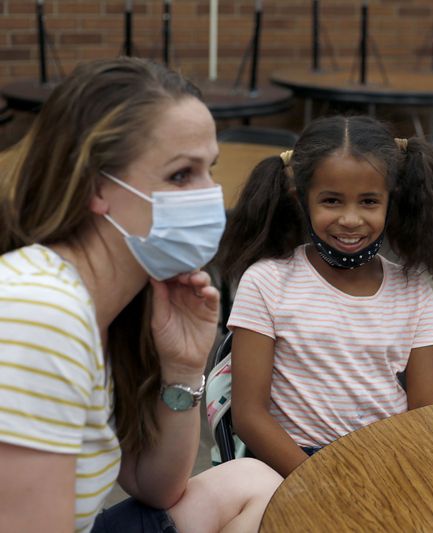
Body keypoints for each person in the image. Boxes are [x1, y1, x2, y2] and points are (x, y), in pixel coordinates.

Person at [0, 57, 282, 532]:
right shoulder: (40, 312)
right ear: (96, 186)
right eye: (180, 175)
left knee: (254, 481)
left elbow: (157, 487)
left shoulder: (118, 302)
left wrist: (183, 369)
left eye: (208, 170)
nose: (210, 196)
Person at [216, 115, 433, 477]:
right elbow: (249, 417)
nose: (351, 219)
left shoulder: (412, 289)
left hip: (386, 462)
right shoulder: (266, 283)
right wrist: (320, 482)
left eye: (369, 201)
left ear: (391, 200)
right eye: (332, 201)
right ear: (301, 198)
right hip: (294, 468)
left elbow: (424, 416)